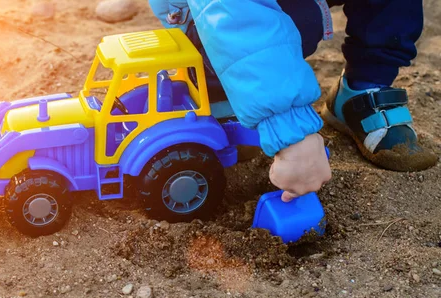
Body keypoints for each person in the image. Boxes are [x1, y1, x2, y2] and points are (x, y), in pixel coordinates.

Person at [148, 0, 438, 202]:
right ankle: (221, 88)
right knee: (299, 16)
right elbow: (235, 14)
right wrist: (290, 132)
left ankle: (364, 85)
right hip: (214, 16)